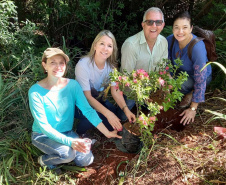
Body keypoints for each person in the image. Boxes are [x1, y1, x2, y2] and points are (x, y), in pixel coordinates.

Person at [28, 48, 121, 170]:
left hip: (66, 132)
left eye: (61, 63)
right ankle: (44, 160)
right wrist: (71, 143)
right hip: (43, 135)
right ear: (44, 65)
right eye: (52, 62)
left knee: (86, 160)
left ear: (66, 65)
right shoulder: (35, 91)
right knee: (67, 154)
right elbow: (44, 126)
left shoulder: (73, 85)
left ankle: (63, 155)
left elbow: (88, 111)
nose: (58, 66)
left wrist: (107, 132)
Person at [75, 30, 136, 135]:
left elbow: (115, 91)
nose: (105, 48)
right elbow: (87, 97)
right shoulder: (83, 65)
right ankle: (79, 133)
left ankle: (100, 122)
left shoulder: (111, 67)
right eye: (102, 44)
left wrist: (126, 110)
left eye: (109, 46)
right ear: (95, 46)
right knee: (101, 117)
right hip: (80, 104)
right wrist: (107, 114)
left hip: (99, 100)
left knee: (117, 118)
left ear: (113, 50)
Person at [167, 11, 212, 125]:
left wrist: (193, 109)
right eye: (176, 27)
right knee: (166, 84)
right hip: (179, 73)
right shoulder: (170, 40)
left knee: (180, 84)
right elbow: (165, 63)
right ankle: (182, 90)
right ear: (172, 28)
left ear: (191, 28)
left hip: (197, 76)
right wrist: (168, 79)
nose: (180, 31)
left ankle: (192, 93)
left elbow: (200, 78)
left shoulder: (197, 47)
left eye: (185, 27)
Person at [121, 7, 168, 73]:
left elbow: (161, 71)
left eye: (158, 22)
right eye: (149, 22)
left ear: (163, 25)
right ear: (143, 24)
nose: (154, 26)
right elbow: (125, 78)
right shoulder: (130, 45)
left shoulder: (164, 42)